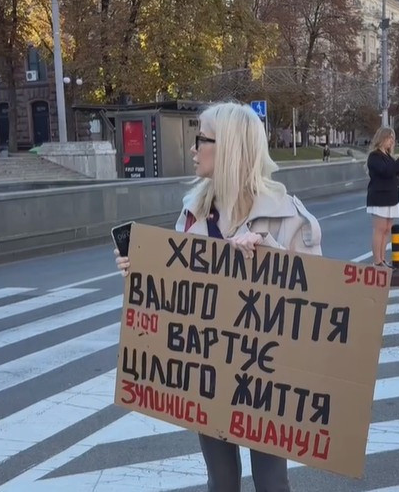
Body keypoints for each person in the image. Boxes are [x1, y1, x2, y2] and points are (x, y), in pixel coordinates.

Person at [114, 101, 322, 492]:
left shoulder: (288, 215)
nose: (193, 148)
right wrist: (141, 272)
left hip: (268, 375)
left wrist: (269, 252)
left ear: (228, 148)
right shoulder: (192, 214)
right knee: (221, 481)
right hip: (209, 370)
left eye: (202, 139)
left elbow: (319, 300)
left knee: (272, 482)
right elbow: (176, 294)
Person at [366, 126, 399, 268]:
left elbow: (397, 174)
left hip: (391, 197)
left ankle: (383, 258)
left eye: (393, 138)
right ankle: (377, 261)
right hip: (379, 197)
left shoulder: (388, 157)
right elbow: (386, 172)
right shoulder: (374, 156)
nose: (392, 141)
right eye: (389, 138)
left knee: (387, 229)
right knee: (379, 229)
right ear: (382, 138)